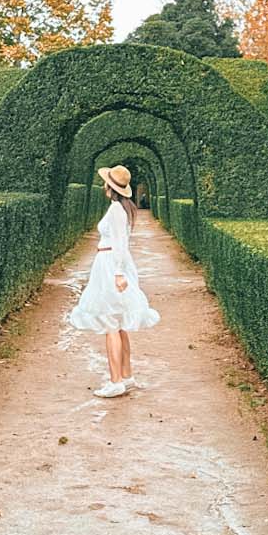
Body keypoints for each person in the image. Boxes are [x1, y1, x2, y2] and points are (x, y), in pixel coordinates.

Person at [67, 164, 160, 397]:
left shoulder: (117, 210)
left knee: (111, 324)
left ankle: (115, 380)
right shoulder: (120, 208)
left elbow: (120, 243)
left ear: (111, 186)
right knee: (118, 324)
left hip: (110, 265)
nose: (103, 185)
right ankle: (126, 376)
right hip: (109, 263)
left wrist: (118, 274)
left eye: (106, 181)